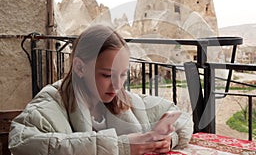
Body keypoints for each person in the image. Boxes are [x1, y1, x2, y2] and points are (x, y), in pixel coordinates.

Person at [9, 24, 193, 155]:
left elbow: (181, 117)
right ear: (80, 68)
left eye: (123, 75)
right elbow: (21, 142)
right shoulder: (51, 101)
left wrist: (169, 140)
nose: (117, 85)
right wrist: (120, 147)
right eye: (107, 75)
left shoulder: (123, 99)